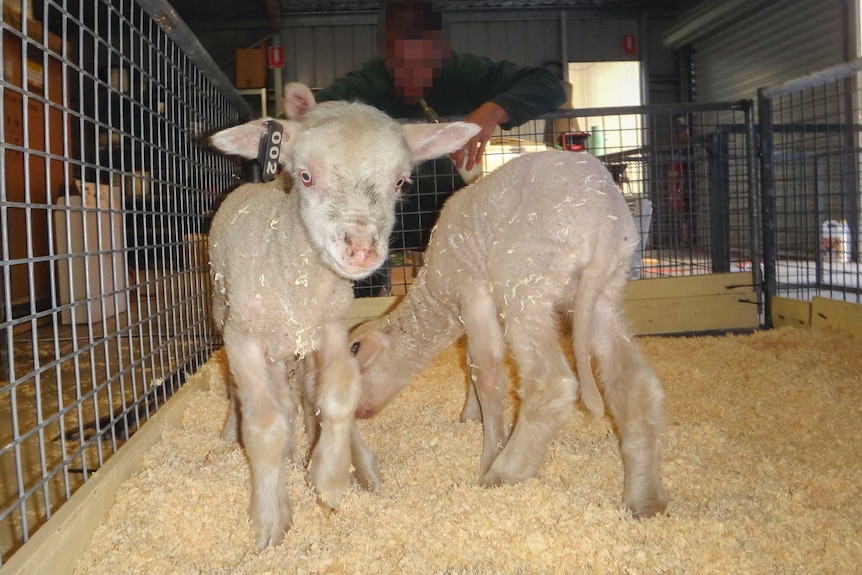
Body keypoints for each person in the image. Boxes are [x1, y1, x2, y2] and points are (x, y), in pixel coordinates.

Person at [313, 0, 567, 297]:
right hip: (383, 213)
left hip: (451, 208)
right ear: (386, 55)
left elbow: (550, 85)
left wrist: (494, 110)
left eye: (422, 63)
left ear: (439, 53)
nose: (412, 75)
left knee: (465, 287)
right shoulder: (369, 83)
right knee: (360, 272)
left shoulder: (462, 73)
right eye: (401, 64)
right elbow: (307, 117)